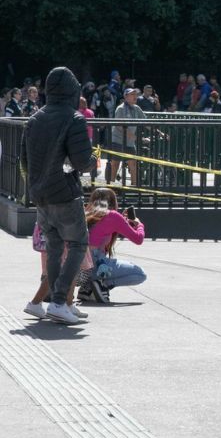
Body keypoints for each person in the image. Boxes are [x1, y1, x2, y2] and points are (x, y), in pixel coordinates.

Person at [22, 66, 96, 325]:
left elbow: (25, 160)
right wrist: (93, 159)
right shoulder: (74, 119)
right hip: (65, 193)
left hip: (40, 194)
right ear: (72, 90)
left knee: (54, 247)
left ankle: (56, 303)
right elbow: (81, 161)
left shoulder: (34, 119)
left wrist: (33, 188)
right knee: (77, 244)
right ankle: (59, 301)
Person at [79, 188, 147, 302]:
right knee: (140, 274)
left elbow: (100, 229)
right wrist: (139, 225)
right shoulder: (113, 216)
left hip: (79, 265)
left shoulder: (86, 213)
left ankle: (87, 288)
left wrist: (122, 221)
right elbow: (138, 239)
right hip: (96, 263)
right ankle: (103, 284)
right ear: (112, 202)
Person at [111, 87, 146, 185]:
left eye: (136, 94)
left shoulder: (137, 108)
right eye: (132, 94)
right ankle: (111, 186)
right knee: (115, 164)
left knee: (133, 163)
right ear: (126, 97)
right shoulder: (121, 108)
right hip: (118, 141)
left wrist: (159, 132)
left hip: (129, 142)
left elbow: (146, 122)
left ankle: (134, 187)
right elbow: (118, 125)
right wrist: (131, 135)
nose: (135, 96)